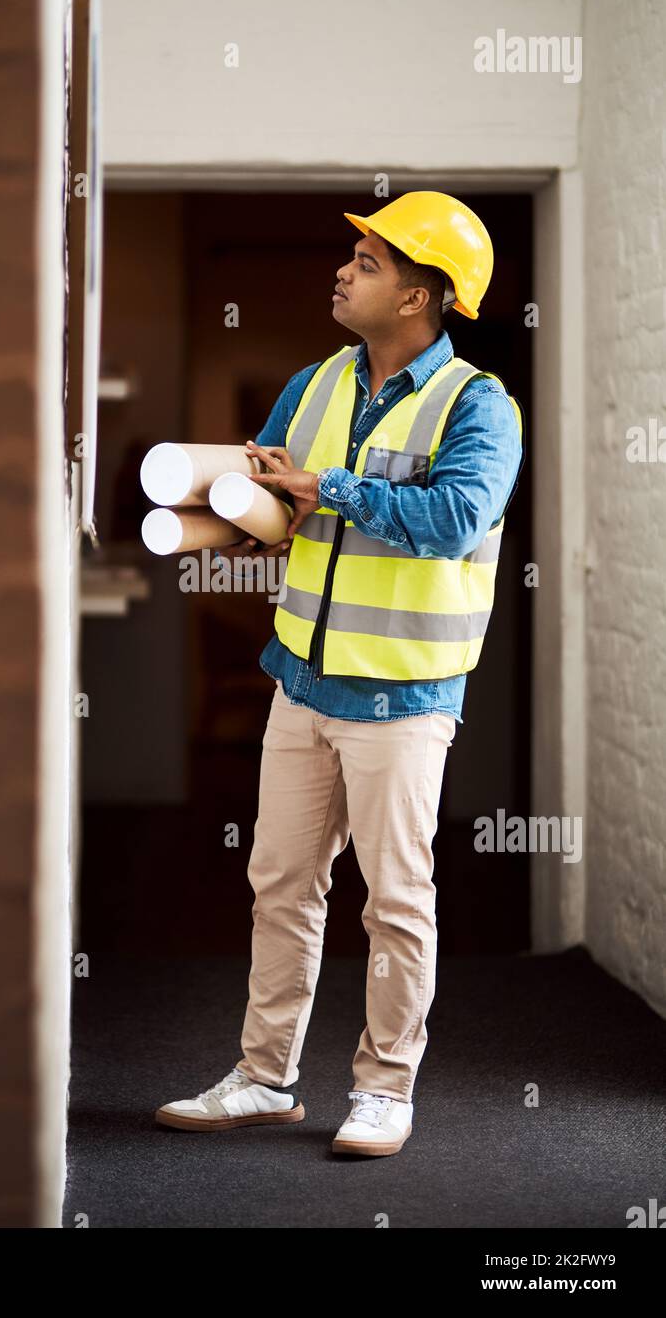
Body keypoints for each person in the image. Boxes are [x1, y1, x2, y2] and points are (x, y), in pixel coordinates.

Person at [155, 192, 525, 1156]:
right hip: (301, 683)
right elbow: (272, 509)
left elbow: (452, 521)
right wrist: (233, 504)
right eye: (353, 255)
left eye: (366, 261)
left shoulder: (479, 404)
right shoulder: (315, 383)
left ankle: (384, 1091)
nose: (343, 270)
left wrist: (334, 489)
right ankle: (264, 1077)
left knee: (396, 900)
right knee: (279, 883)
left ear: (420, 295)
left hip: (401, 698)